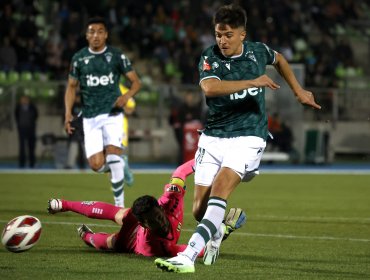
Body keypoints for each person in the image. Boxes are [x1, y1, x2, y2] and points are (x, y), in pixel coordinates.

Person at [155, 4, 321, 273]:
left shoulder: (257, 52)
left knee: (220, 189)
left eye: (228, 35)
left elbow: (279, 59)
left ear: (243, 34)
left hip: (248, 135)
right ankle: (216, 233)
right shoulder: (209, 57)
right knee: (199, 210)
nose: (222, 40)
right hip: (214, 136)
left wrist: (299, 90)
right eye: (218, 34)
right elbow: (210, 88)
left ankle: (188, 256)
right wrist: (252, 82)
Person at [47, 159, 246, 257]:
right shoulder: (157, 245)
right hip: (134, 242)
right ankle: (84, 233)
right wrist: (223, 231)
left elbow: (181, 171)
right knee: (114, 238)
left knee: (119, 220)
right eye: (153, 219)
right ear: (144, 223)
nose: (159, 219)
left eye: (157, 213)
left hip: (134, 228)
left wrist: (208, 157)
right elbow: (197, 250)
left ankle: (67, 209)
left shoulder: (169, 201)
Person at [64, 17, 141, 207]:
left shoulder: (116, 56)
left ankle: (120, 208)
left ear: (106, 35)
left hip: (113, 114)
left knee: (113, 155)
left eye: (100, 31)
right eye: (92, 32)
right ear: (87, 35)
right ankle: (120, 165)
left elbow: (136, 82)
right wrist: (68, 113)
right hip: (89, 117)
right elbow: (71, 87)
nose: (96, 35)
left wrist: (126, 97)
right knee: (96, 165)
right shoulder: (79, 58)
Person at [14, 95, 38, 168]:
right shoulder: (18, 107)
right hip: (22, 129)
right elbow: (16, 116)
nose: (24, 101)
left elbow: (36, 115)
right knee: (22, 147)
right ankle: (22, 163)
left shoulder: (32, 107)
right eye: (22, 99)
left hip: (31, 129)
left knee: (31, 146)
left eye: (25, 99)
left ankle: (32, 163)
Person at [119, 82, 136, 186]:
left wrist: (118, 108)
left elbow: (131, 108)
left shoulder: (123, 90)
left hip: (119, 126)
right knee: (107, 156)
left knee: (116, 154)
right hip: (103, 125)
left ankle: (120, 178)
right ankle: (123, 164)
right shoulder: (101, 87)